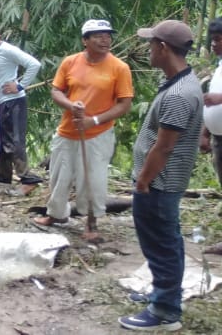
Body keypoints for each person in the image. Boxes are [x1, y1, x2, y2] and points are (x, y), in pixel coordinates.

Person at [118, 20, 202, 331]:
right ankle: (163, 293)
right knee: (167, 241)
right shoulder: (180, 82)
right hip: (162, 181)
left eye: (151, 44)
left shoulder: (179, 94)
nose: (148, 49)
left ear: (163, 48)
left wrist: (143, 181)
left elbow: (164, 147)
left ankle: (165, 310)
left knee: (160, 245)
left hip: (159, 183)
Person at [33, 19, 133, 243]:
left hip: (98, 133)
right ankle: (56, 214)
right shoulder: (70, 62)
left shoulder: (119, 68)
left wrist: (93, 120)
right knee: (59, 176)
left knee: (93, 180)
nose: (105, 40)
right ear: (85, 40)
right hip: (67, 130)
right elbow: (56, 91)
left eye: (108, 36)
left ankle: (91, 222)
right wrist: (71, 106)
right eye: (98, 36)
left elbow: (124, 104)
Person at [0, 23, 43, 194]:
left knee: (15, 141)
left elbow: (34, 64)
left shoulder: (8, 50)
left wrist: (19, 86)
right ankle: (3, 178)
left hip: (14, 101)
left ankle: (28, 179)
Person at [200, 17, 222, 256]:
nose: (214, 44)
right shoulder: (219, 65)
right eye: (213, 39)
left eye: (218, 39)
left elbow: (217, 99)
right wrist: (205, 132)